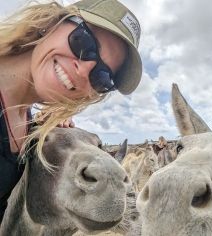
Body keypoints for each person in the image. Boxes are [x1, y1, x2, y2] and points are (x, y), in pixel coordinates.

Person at [0, 0, 142, 223]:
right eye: (83, 42)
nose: (84, 70)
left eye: (102, 77)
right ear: (54, 22)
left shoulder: (26, 126)